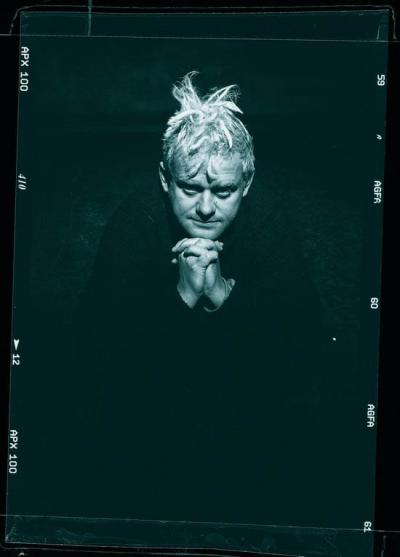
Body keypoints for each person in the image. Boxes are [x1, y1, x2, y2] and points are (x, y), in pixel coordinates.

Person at [71, 72, 331, 524]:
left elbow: (307, 346)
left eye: (223, 191)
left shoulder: (270, 223)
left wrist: (221, 296)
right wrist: (183, 297)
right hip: (149, 419)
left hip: (247, 411)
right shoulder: (135, 221)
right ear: (165, 179)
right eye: (190, 189)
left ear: (246, 183)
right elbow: (97, 352)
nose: (206, 208)